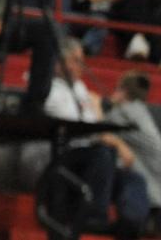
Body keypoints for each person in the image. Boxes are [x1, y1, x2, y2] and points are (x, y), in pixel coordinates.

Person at [37, 38, 150, 240]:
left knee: (134, 178)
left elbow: (95, 124)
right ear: (64, 62)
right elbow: (79, 128)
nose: (82, 66)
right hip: (64, 159)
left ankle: (130, 227)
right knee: (103, 154)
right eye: (77, 60)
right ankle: (94, 218)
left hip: (91, 164)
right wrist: (113, 141)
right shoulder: (49, 89)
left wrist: (98, 114)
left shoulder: (80, 88)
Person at [104, 71, 161, 215]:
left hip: (153, 196)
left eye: (117, 89)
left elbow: (97, 130)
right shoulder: (141, 112)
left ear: (123, 91)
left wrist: (101, 105)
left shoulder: (125, 113)